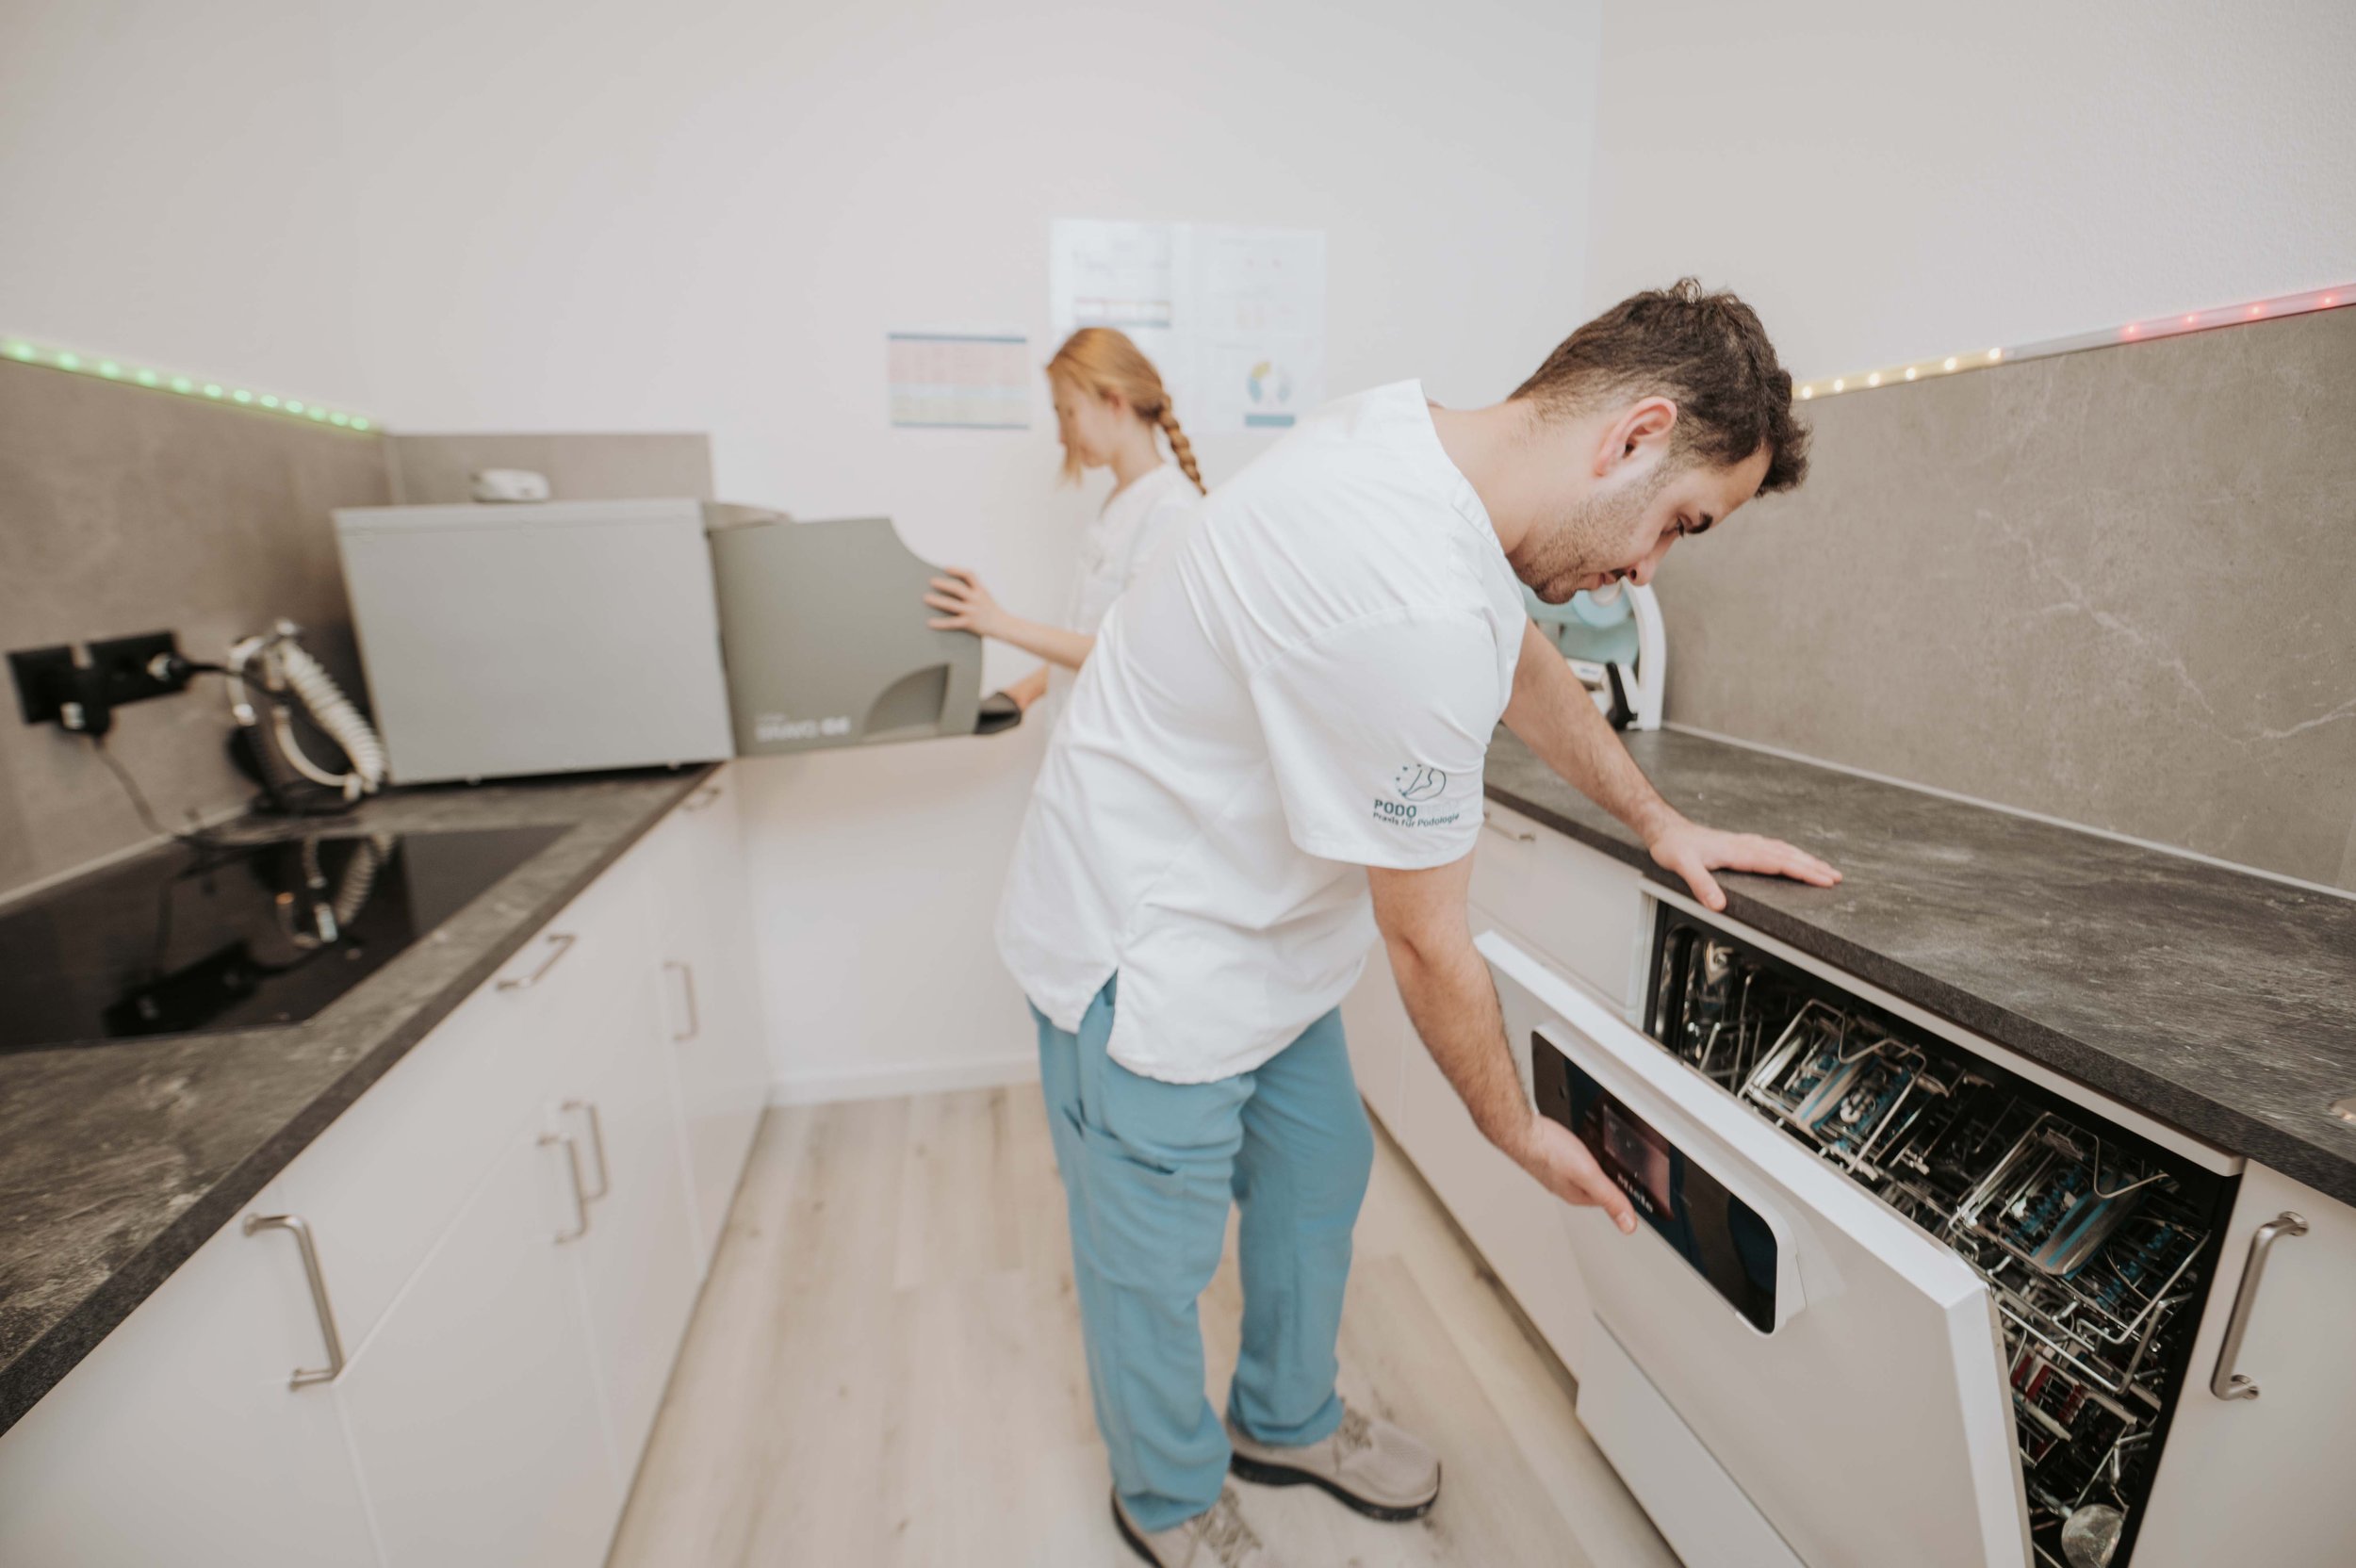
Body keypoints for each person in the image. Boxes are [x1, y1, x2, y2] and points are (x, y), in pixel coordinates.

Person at [996, 280, 1842, 1567]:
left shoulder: (1413, 443)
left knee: (1317, 1173)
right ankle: (1164, 1495)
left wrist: (1655, 820)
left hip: (1265, 938)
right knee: (1150, 1263)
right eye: (1679, 521)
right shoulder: (1403, 596)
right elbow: (1429, 944)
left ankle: (1283, 1419)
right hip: (1148, 945)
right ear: (1634, 432)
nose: (1648, 567)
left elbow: (1516, 657)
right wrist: (1517, 1130)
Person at [923, 327, 1204, 721]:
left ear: (1114, 403)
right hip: (1081, 735)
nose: (1061, 437)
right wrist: (1027, 690)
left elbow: (1134, 653)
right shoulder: (1123, 500)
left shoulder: (1169, 511)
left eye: (1067, 413)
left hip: (1120, 746)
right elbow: (1093, 635)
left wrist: (998, 623)